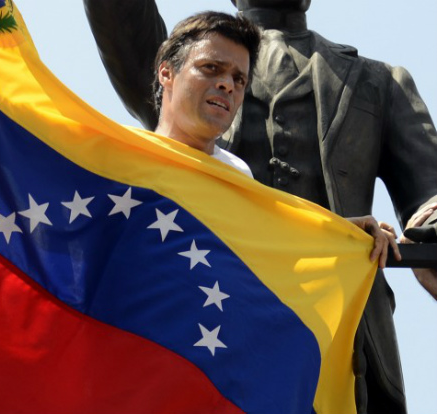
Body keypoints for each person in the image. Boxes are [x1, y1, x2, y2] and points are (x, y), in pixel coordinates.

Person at [83, 1, 437, 413]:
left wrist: (417, 229)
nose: (226, 84)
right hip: (211, 335)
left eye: (237, 78)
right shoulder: (193, 60)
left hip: (348, 342)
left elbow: (429, 194)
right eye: (215, 71)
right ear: (166, 74)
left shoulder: (378, 81)